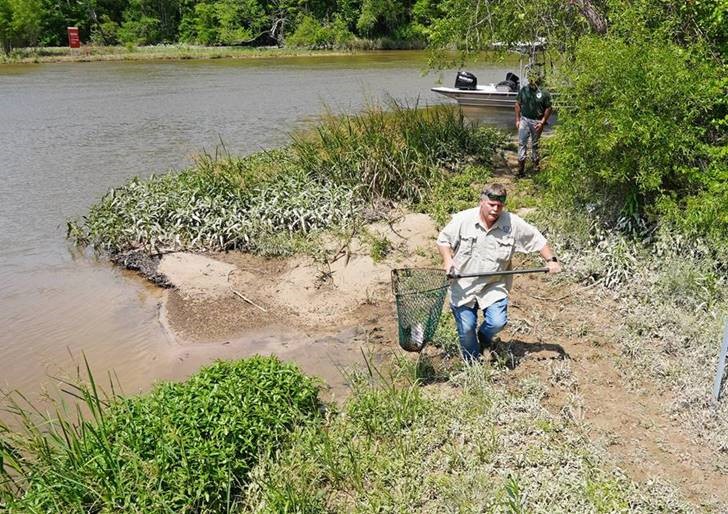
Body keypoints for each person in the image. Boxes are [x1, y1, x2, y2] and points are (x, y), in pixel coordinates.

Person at [436, 183, 561, 362]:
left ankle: (485, 339)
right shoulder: (463, 220)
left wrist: (551, 260)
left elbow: (536, 239)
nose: (495, 209)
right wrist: (448, 261)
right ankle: (472, 365)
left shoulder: (512, 223)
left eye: (499, 206)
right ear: (482, 202)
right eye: (491, 204)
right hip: (463, 284)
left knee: (497, 322)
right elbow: (443, 240)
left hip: (493, 283)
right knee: (466, 329)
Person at [514, 69, 552, 177]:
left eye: (535, 78)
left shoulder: (544, 92)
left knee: (535, 144)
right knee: (522, 143)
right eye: (531, 78)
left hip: (537, 121)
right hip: (524, 120)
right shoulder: (524, 90)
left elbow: (549, 108)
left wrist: (543, 122)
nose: (533, 80)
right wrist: (517, 120)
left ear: (539, 79)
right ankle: (521, 170)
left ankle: (535, 166)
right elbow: (517, 104)